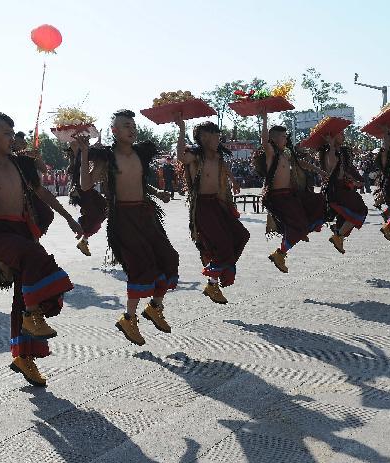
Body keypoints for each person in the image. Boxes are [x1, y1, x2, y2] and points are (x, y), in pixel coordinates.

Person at [0, 112, 81, 387]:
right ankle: (31, 316)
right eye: (5, 133)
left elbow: (43, 193)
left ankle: (24, 357)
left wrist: (69, 218)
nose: (11, 138)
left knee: (23, 293)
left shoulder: (21, 165)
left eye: (13, 133)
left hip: (23, 231)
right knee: (34, 258)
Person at [79, 109, 179, 346]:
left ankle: (155, 308)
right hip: (123, 218)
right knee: (139, 265)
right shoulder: (107, 157)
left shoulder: (140, 153)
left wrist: (158, 193)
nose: (131, 129)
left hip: (146, 214)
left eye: (133, 125)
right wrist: (84, 155)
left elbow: (140, 183)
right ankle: (129, 318)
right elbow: (85, 184)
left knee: (169, 258)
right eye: (125, 125)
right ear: (114, 131)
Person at [176, 119, 249, 303]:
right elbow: (180, 157)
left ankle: (218, 276)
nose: (218, 138)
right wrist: (182, 128)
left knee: (241, 235)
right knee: (223, 245)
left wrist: (234, 181)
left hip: (218, 204)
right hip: (202, 207)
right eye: (215, 134)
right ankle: (214, 279)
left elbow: (223, 169)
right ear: (203, 137)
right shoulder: (194, 155)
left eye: (218, 134)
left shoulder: (218, 156)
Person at [258, 116, 327, 270]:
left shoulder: (286, 153)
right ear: (274, 139)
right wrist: (263, 118)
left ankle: (295, 238)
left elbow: (300, 163)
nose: (286, 138)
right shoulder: (271, 153)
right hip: (277, 197)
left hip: (290, 195)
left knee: (318, 201)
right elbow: (264, 141)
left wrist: (319, 171)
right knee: (298, 228)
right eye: (283, 136)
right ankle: (280, 254)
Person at [319, 129, 368, 251]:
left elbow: (347, 169)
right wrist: (330, 145)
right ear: (334, 137)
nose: (344, 136)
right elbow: (331, 167)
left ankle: (338, 232)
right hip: (335, 191)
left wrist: (357, 180)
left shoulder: (342, 151)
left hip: (343, 188)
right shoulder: (328, 151)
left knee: (354, 212)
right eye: (340, 134)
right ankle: (338, 235)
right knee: (359, 211)